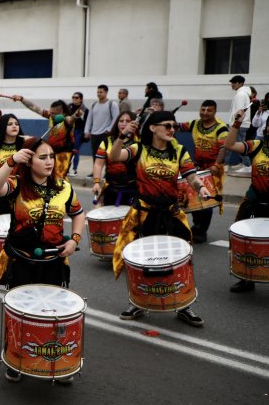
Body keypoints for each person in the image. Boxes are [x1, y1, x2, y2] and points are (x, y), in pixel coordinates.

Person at [0, 137, 85, 382]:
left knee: (54, 313)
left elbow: (78, 213)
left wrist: (74, 239)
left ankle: (57, 362)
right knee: (20, 312)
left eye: (51, 156)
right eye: (43, 157)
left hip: (53, 261)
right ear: (30, 161)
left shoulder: (64, 187)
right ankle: (15, 357)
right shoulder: (18, 185)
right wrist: (11, 161)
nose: (49, 161)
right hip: (22, 260)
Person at [109, 111, 210, 327]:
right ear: (153, 128)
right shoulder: (139, 149)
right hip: (144, 214)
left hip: (171, 213)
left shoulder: (179, 150)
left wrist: (200, 188)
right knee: (141, 260)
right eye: (167, 125)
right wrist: (122, 136)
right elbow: (114, 157)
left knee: (181, 259)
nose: (172, 129)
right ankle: (137, 302)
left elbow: (191, 175)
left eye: (173, 126)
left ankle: (184, 305)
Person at [222, 109, 269, 292]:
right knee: (242, 240)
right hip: (254, 200)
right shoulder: (257, 145)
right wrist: (236, 123)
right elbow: (229, 144)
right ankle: (245, 278)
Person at [176, 100, 228, 243]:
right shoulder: (194, 124)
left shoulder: (221, 128)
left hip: (213, 170)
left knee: (206, 201)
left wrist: (217, 165)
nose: (205, 112)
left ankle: (201, 230)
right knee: (193, 198)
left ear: (215, 112)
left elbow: (224, 148)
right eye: (203, 109)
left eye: (209, 110)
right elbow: (178, 127)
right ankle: (198, 226)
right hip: (198, 168)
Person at [11, 94, 80, 180]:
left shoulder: (66, 120)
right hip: (52, 151)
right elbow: (34, 107)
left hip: (64, 153)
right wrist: (22, 99)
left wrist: (76, 115)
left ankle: (65, 191)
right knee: (51, 175)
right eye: (51, 112)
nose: (51, 114)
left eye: (54, 113)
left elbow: (72, 118)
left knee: (60, 177)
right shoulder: (51, 116)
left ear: (61, 112)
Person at [92, 111, 138, 207]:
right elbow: (98, 164)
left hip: (132, 190)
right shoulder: (106, 141)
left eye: (128, 121)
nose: (124, 123)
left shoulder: (139, 142)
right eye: (121, 121)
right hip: (111, 189)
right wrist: (96, 183)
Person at [84, 85, 120, 175]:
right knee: (95, 154)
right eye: (98, 92)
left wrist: (109, 130)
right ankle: (95, 172)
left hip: (106, 134)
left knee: (107, 154)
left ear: (106, 92)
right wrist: (87, 131)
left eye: (101, 92)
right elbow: (89, 119)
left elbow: (116, 118)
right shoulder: (94, 104)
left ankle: (107, 172)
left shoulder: (112, 104)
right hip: (94, 134)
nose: (99, 94)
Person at [68, 92, 88, 176]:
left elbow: (87, 122)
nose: (74, 99)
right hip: (69, 131)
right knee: (68, 150)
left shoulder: (84, 109)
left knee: (75, 150)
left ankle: (74, 169)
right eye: (73, 97)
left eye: (76, 98)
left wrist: (86, 133)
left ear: (81, 99)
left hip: (79, 131)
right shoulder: (69, 107)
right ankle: (67, 169)